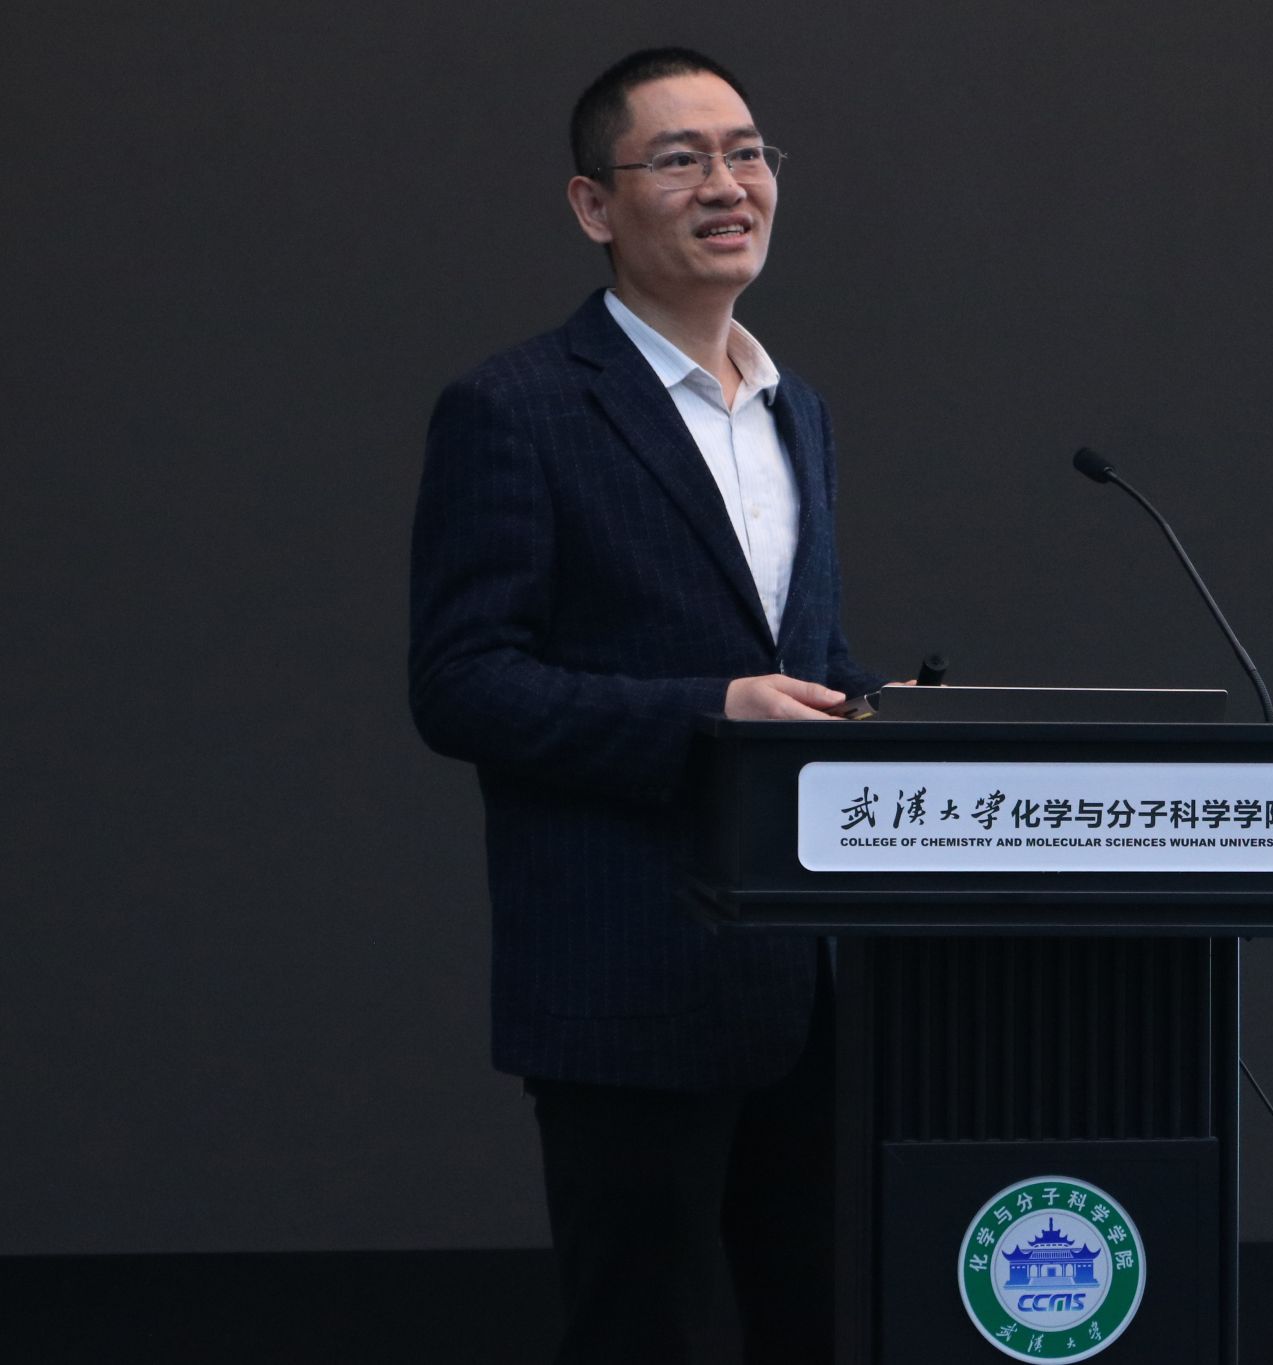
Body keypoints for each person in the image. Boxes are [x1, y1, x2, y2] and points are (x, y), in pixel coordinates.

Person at [408, 46, 880, 1363]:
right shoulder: (514, 408)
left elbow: (805, 654)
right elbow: (462, 683)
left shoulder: (798, 412)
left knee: (822, 1325)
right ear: (594, 206)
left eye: (748, 153)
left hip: (803, 989)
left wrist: (879, 716)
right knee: (646, 1335)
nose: (729, 184)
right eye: (681, 159)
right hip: (623, 979)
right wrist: (710, 713)